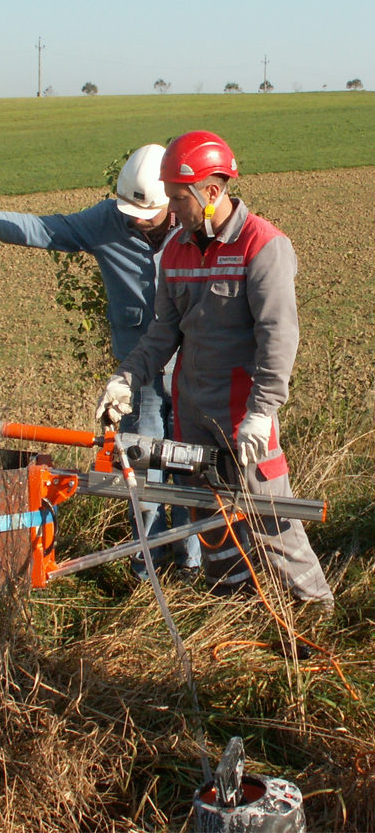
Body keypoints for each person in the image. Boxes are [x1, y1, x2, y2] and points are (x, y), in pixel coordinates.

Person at [96, 130, 333, 606]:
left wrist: (262, 414)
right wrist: (128, 378)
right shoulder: (178, 252)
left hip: (245, 419)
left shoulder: (263, 247)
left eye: (178, 199)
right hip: (193, 417)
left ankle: (315, 612)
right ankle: (235, 609)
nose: (172, 209)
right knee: (212, 525)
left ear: (211, 191)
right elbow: (163, 333)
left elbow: (278, 341)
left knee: (272, 521)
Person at [0, 145, 201, 577]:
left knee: (188, 466)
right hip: (135, 375)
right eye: (129, 211)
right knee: (141, 471)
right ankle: (149, 567)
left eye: (145, 212)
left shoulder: (195, 223)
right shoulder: (106, 220)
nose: (134, 219)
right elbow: (45, 230)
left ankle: (191, 566)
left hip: (191, 368)